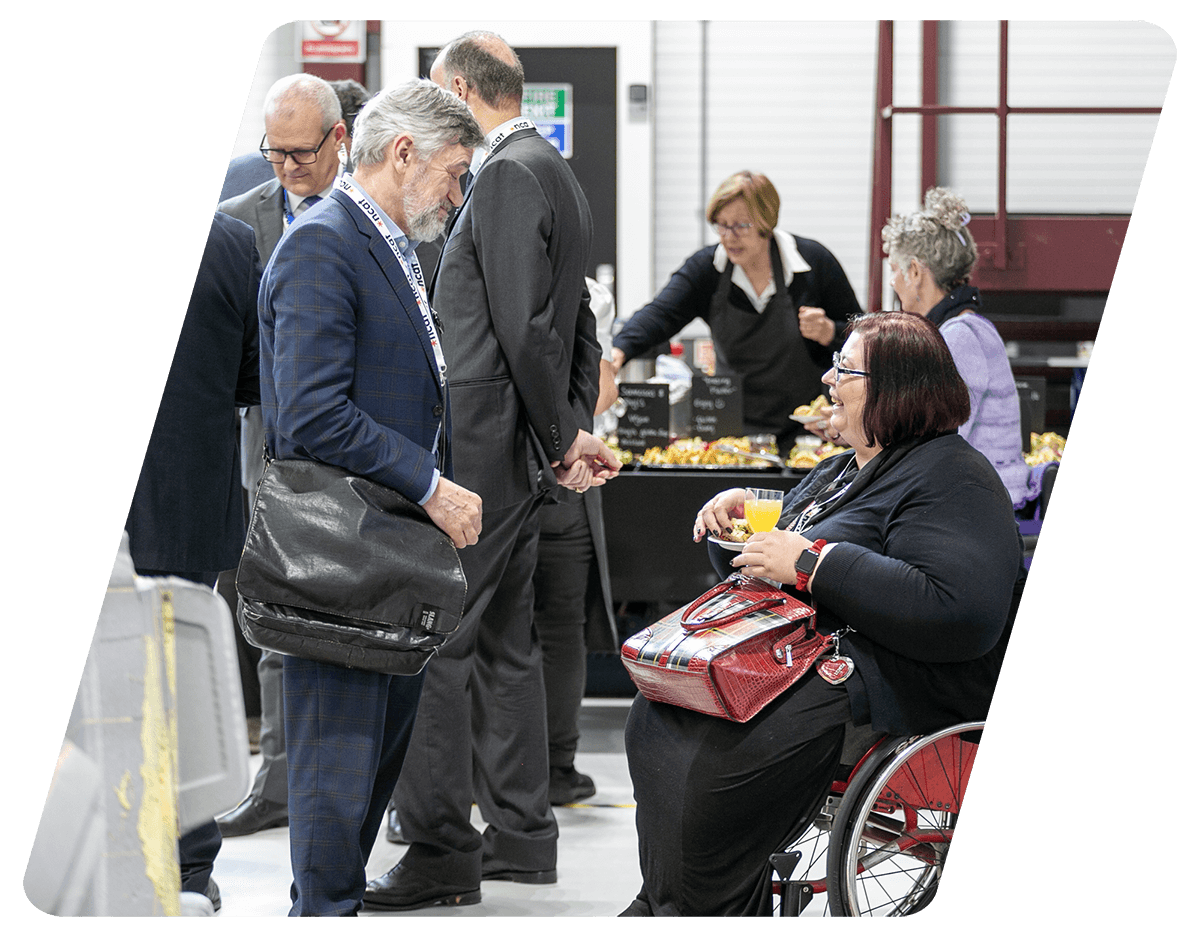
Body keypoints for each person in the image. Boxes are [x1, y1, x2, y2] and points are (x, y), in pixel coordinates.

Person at [622, 311, 1023, 916]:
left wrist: (813, 563)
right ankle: (671, 901)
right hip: (807, 658)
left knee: (715, 759)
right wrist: (737, 530)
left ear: (895, 389)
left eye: (845, 369)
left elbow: (958, 610)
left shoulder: (952, 476)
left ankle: (700, 903)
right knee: (661, 710)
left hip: (897, 680)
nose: (830, 380)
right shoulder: (845, 467)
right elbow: (771, 561)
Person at [365, 31, 620, 912]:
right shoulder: (557, 172)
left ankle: (439, 845)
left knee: (436, 635)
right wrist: (571, 427)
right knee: (507, 642)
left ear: (461, 88)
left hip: (479, 440)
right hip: (514, 443)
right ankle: (521, 834)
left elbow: (523, 326)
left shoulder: (508, 174)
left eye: (437, 94)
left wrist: (561, 435)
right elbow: (575, 322)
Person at [256, 77, 486, 916]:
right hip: (340, 558)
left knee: (364, 775)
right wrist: (429, 483)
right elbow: (312, 411)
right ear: (402, 154)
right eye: (453, 172)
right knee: (335, 776)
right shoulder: (324, 243)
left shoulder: (387, 242)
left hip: (387, 558)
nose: (455, 192)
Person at [215, 72, 349, 840]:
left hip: (357, 460)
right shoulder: (239, 223)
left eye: (301, 152)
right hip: (268, 460)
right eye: (274, 153)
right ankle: (278, 784)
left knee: (356, 627)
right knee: (270, 620)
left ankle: (348, 787)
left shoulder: (370, 218)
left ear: (338, 140)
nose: (287, 167)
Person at [124, 210, 263, 914]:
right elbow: (252, 375)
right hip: (184, 505)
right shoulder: (234, 242)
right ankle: (187, 863)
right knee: (179, 687)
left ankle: (101, 848)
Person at [611, 171, 861, 454]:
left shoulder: (813, 263)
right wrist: (618, 352)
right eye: (721, 226)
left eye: (741, 225)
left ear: (767, 222)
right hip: (732, 435)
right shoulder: (707, 269)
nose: (729, 237)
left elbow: (862, 337)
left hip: (807, 432)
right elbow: (660, 314)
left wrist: (830, 331)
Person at [879, 186, 1037, 508]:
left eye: (895, 270)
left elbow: (941, 435)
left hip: (982, 501)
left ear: (915, 271)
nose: (893, 281)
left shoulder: (960, 337)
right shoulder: (959, 330)